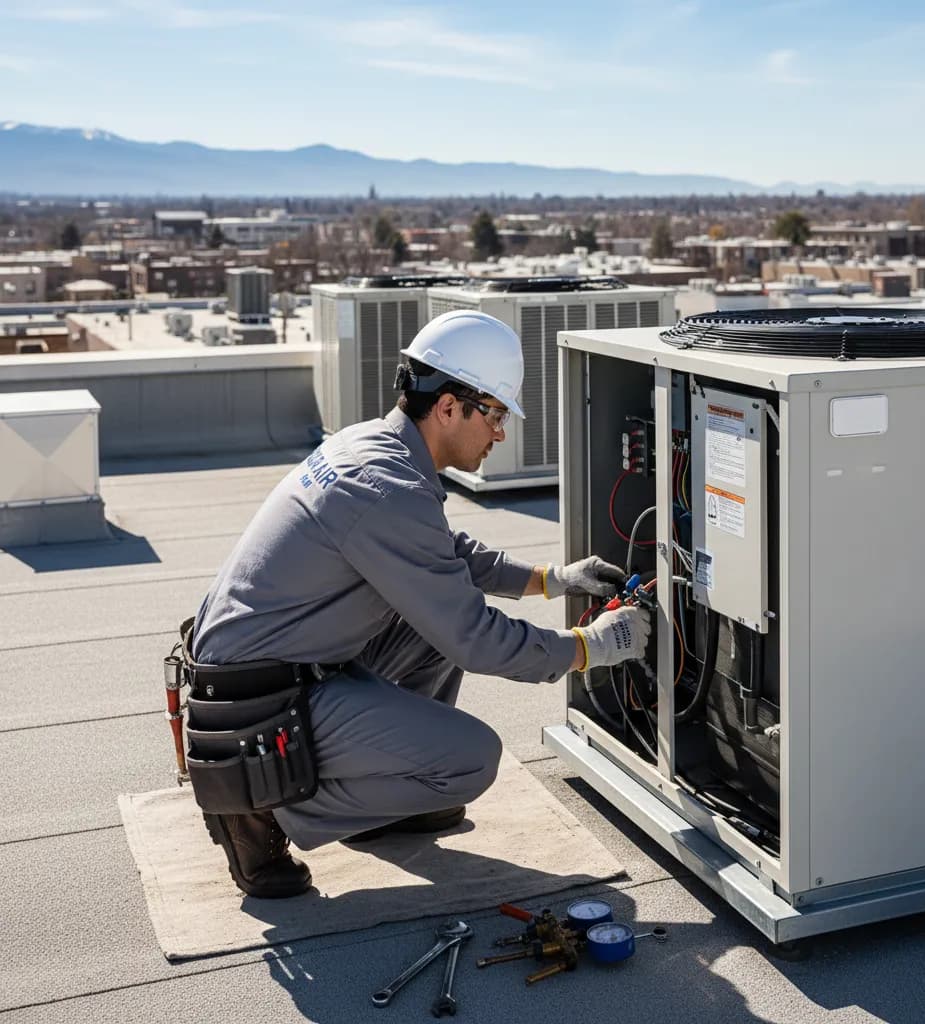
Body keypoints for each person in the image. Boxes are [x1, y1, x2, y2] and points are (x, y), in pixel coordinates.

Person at [190, 310, 651, 898]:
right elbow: (478, 641)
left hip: (278, 666)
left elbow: (445, 557)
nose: (500, 434)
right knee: (472, 760)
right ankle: (261, 809)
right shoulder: (386, 487)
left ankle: (383, 797)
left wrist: (553, 579)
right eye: (496, 415)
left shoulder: (374, 448)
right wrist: (593, 646)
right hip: (259, 703)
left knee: (432, 620)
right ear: (450, 407)